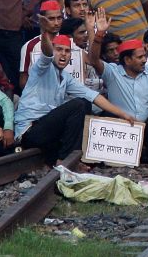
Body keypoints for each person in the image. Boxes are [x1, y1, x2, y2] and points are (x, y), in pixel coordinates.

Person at [17, 32, 136, 166]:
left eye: (67, 51)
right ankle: (65, 160)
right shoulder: (42, 68)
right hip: (30, 130)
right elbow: (46, 53)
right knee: (78, 104)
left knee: (86, 103)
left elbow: (94, 96)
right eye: (59, 50)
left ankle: (74, 159)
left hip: (49, 131)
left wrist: (123, 114)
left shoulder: (66, 77)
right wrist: (45, 34)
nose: (63, 54)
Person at [90, 10, 148, 162]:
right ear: (127, 60)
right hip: (122, 129)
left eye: (144, 56)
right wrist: (99, 35)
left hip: (146, 128)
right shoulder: (112, 72)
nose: (144, 60)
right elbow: (93, 60)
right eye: (140, 57)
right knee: (108, 115)